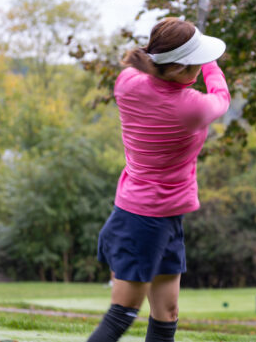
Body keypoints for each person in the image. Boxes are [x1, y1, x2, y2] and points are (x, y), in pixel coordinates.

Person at [87, 17, 230, 342]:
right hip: (143, 220)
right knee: (121, 315)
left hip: (165, 216)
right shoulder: (190, 108)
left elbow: (152, 62)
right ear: (179, 68)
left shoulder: (127, 82)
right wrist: (210, 61)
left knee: (167, 313)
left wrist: (190, 47)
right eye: (194, 61)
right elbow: (221, 97)